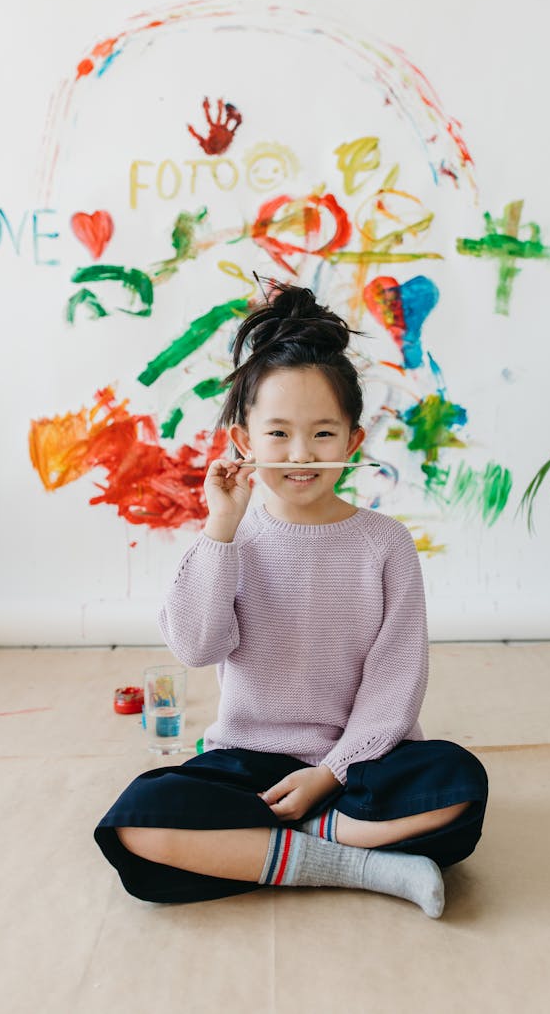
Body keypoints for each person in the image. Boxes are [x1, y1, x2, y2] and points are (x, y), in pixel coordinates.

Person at [94, 278, 488, 918]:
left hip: (360, 766)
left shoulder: (385, 545)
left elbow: (395, 684)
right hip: (250, 767)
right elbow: (195, 646)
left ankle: (283, 847)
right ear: (244, 441)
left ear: (354, 442)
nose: (301, 454)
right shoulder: (230, 538)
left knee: (458, 785)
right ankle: (357, 863)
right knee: (134, 825)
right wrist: (219, 528)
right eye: (277, 434)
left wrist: (329, 776)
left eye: (323, 434)